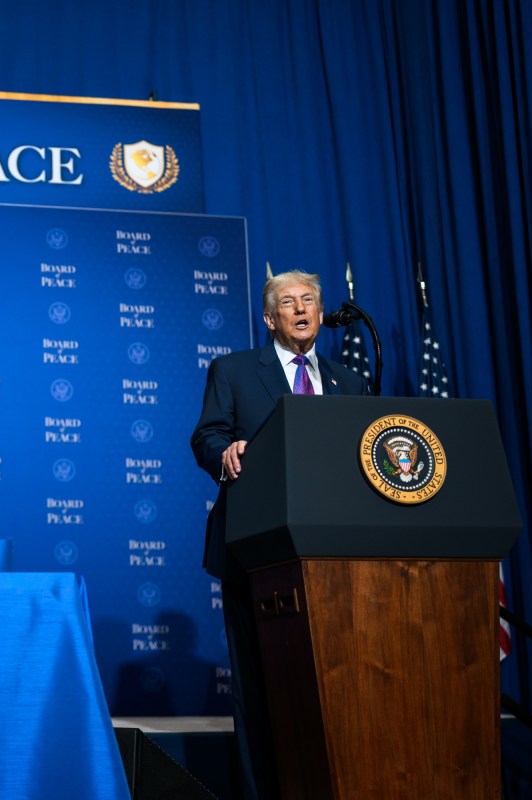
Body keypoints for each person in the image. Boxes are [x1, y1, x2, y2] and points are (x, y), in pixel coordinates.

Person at [190, 270, 369, 799]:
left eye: (309, 300)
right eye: (288, 302)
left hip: (335, 555)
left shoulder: (349, 383)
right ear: (270, 319)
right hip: (257, 550)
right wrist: (225, 454)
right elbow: (207, 436)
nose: (300, 309)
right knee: (261, 685)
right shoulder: (236, 370)